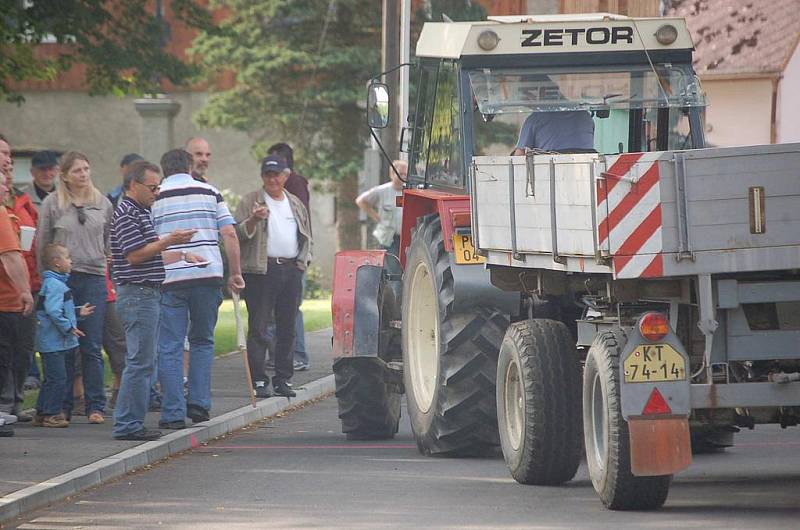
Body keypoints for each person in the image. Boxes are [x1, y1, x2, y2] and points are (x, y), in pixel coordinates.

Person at [151, 149, 244, 428]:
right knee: (203, 341)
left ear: (164, 169)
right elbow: (229, 233)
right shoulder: (210, 192)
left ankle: (172, 413)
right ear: (190, 166)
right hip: (207, 275)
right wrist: (235, 272)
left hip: (170, 278)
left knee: (170, 345)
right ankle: (200, 405)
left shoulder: (156, 197)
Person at [111, 160, 199, 440]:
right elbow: (135, 255)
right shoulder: (127, 213)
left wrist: (182, 254)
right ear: (133, 184)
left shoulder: (140, 211)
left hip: (147, 292)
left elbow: (150, 253)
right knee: (140, 361)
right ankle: (127, 424)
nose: (156, 192)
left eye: (158, 186)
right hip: (138, 294)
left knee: (143, 361)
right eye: (152, 187)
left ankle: (130, 422)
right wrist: (168, 240)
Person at [37, 151, 113, 424]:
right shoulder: (52, 204)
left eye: (86, 169)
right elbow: (43, 243)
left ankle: (95, 405)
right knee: (65, 344)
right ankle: (63, 406)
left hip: (93, 276)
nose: (83, 174)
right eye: (77, 170)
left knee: (91, 344)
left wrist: (105, 261)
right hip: (61, 279)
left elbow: (108, 239)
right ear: (65, 175)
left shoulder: (101, 202)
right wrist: (44, 281)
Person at [234, 155, 312, 398]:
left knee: (287, 327)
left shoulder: (295, 202)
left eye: (276, 174)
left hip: (290, 269)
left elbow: (306, 234)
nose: (272, 179)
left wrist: (303, 262)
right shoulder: (250, 200)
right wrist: (254, 219)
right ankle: (259, 379)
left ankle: (283, 378)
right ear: (262, 177)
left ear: (285, 176)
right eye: (268, 174)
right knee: (259, 327)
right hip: (261, 270)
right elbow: (237, 234)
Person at [34, 244, 94, 428]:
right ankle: (51, 414)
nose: (71, 261)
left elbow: (57, 309)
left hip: (53, 341)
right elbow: (53, 311)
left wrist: (77, 312)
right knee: (58, 379)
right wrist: (69, 328)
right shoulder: (56, 285)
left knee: (51, 378)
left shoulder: (55, 284)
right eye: (67, 257)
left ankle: (41, 411)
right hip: (54, 342)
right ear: (57, 263)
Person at [0, 141, 39, 422]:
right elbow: (11, 257)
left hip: (18, 293)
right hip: (8, 298)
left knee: (20, 353)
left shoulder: (17, 208)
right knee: (7, 356)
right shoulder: (1, 213)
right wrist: (25, 291)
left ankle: (11, 404)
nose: (6, 186)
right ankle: (5, 407)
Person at [267, 142, 311, 371]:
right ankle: (278, 356)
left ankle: (298, 355)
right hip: (278, 260)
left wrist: (302, 259)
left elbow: (300, 221)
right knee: (277, 310)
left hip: (293, 259)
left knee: (291, 308)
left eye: (275, 168)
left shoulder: (295, 184)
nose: (271, 176)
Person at [20, 150, 59, 390]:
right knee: (31, 323)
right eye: (41, 169)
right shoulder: (24, 197)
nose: (46, 173)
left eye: (50, 169)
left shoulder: (62, 196)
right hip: (32, 268)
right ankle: (31, 373)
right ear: (33, 172)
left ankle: (56, 376)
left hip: (58, 267)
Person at [356, 160, 407, 260]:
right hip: (387, 239)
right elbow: (360, 201)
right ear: (392, 174)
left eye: (405, 174)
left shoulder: (409, 192)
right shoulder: (382, 190)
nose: (403, 177)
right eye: (400, 174)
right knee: (392, 267)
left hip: (404, 239)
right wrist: (375, 216)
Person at [511, 110, 595, 155]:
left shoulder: (535, 118)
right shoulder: (585, 116)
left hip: (548, 176)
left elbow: (520, 155)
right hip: (586, 176)